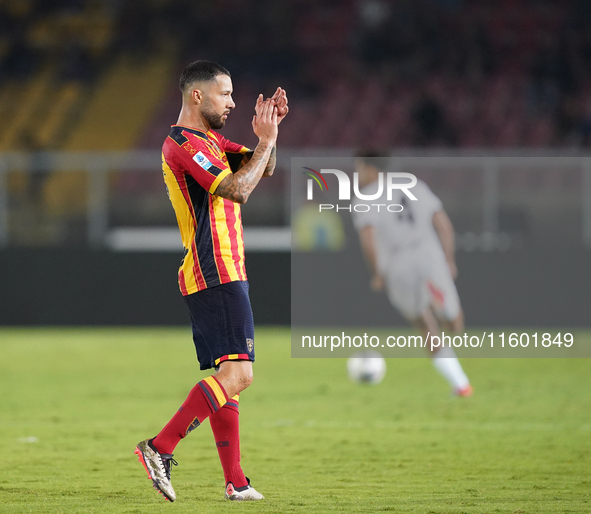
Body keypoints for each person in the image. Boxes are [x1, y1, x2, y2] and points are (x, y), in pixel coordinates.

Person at [134, 60, 288, 503]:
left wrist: (269, 133)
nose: (234, 102)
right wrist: (266, 142)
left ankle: (236, 481)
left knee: (229, 374)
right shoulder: (183, 143)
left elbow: (265, 168)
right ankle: (159, 449)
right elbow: (238, 189)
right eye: (226, 93)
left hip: (223, 268)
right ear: (197, 96)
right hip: (214, 267)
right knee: (240, 374)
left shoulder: (212, 140)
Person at [352, 153, 472, 397]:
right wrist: (449, 260)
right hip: (430, 255)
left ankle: (461, 384)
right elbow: (443, 224)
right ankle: (446, 310)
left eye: (359, 168)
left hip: (398, 265)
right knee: (452, 320)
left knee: (424, 324)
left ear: (370, 167)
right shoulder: (413, 184)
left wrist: (377, 273)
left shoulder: (364, 197)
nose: (357, 174)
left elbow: (368, 240)